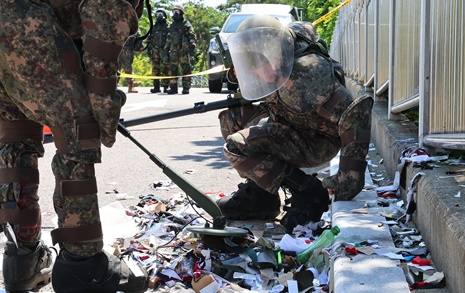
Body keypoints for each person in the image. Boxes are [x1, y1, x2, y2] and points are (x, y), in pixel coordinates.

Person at [0, 1, 149, 292]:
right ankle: (83, 266)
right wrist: (103, 106)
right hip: (26, 24)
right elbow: (105, 14)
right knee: (78, 133)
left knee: (15, 136)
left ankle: (22, 262)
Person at [217, 15, 374, 233]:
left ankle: (308, 192)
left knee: (238, 145)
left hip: (317, 140)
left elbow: (355, 114)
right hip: (291, 120)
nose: (260, 70)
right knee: (232, 119)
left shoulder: (306, 77)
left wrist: (350, 176)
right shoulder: (280, 52)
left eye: (262, 62)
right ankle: (262, 197)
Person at [164, 3, 196, 95]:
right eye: (173, 12)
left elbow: (191, 35)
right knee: (173, 68)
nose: (175, 14)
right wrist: (166, 51)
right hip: (173, 49)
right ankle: (173, 87)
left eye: (177, 12)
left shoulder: (186, 24)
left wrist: (192, 48)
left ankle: (186, 87)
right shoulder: (172, 25)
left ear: (181, 12)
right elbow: (169, 39)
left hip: (183, 49)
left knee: (185, 68)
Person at [147, 8, 171, 94]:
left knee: (166, 68)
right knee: (155, 68)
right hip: (155, 50)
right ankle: (156, 86)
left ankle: (165, 86)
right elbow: (149, 38)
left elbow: (171, 39)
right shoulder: (153, 26)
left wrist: (169, 50)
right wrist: (148, 49)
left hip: (165, 50)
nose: (158, 16)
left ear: (164, 15)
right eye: (157, 14)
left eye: (160, 14)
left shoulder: (168, 26)